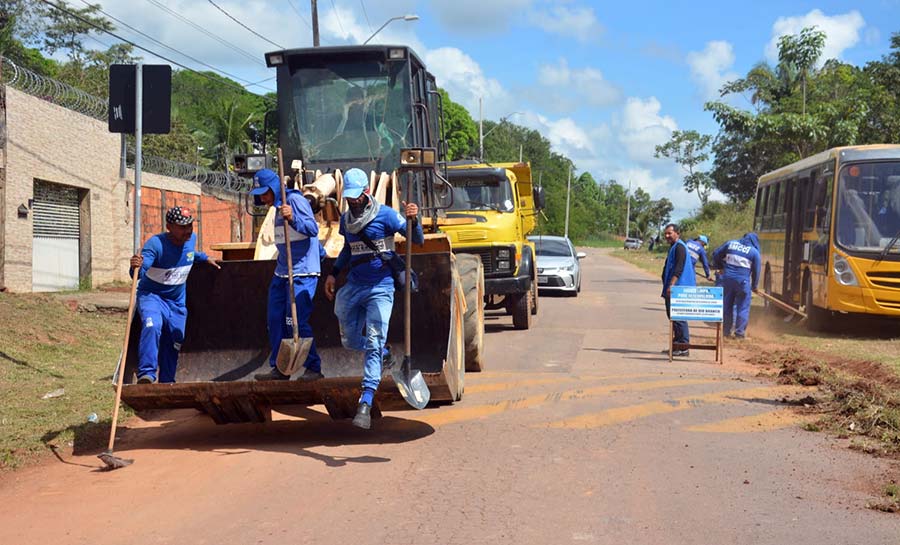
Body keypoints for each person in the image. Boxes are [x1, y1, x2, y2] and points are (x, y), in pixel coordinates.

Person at [324, 168, 424, 430]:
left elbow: (418, 240)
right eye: (349, 198)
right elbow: (348, 249)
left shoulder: (387, 216)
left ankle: (365, 401)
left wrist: (415, 220)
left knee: (373, 339)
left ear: (367, 193)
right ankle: (385, 354)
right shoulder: (347, 221)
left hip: (381, 287)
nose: (353, 201)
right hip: (355, 285)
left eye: (356, 197)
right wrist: (334, 274)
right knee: (348, 336)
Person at [249, 169, 325, 381]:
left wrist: (292, 219)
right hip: (283, 272)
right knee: (275, 319)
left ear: (274, 188)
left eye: (265, 193)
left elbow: (311, 228)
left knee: (296, 321)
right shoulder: (275, 210)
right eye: (260, 194)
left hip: (302, 273)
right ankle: (281, 368)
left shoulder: (295, 201)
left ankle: (314, 368)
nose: (263, 198)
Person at [131, 206, 220, 383]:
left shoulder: (191, 239)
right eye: (182, 227)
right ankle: (147, 374)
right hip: (152, 296)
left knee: (175, 337)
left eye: (190, 226)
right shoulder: (155, 244)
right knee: (152, 326)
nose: (188, 231)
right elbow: (140, 271)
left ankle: (167, 381)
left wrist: (204, 257)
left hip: (176, 302)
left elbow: (187, 254)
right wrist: (136, 266)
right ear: (169, 226)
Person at [712, 232, 761, 339]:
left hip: (727, 280)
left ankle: (726, 332)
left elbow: (716, 254)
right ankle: (739, 333)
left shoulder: (730, 244)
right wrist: (755, 286)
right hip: (742, 283)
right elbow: (756, 271)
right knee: (742, 307)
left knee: (727, 306)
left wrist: (720, 266)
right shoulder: (754, 252)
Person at [661, 223, 696, 357]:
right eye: (666, 233)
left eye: (670, 233)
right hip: (673, 288)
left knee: (679, 317)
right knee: (673, 317)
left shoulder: (680, 247)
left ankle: (683, 346)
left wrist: (672, 285)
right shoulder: (673, 247)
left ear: (677, 233)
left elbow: (679, 268)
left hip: (679, 289)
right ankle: (676, 345)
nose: (667, 236)